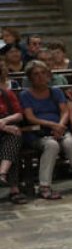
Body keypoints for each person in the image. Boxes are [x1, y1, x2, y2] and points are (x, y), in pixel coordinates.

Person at [20, 61, 72, 200]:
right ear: (30, 78)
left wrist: (59, 126)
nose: (40, 77)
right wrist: (52, 125)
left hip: (59, 129)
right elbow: (30, 117)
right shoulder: (25, 94)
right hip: (37, 132)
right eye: (36, 74)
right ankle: (44, 186)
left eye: (43, 73)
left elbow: (64, 112)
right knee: (52, 145)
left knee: (70, 143)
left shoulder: (56, 91)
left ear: (48, 75)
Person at [0, 62, 25, 203]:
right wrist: (4, 127)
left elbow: (19, 114)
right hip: (4, 129)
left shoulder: (7, 94)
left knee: (14, 138)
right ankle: (13, 187)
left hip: (6, 129)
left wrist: (5, 121)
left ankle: (3, 174)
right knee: (11, 141)